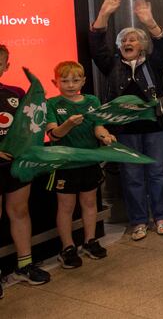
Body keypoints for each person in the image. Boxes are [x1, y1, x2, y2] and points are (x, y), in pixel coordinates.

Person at [89, 0, 163, 240]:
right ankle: (138, 221)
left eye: (134, 39)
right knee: (132, 175)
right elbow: (95, 45)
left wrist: (148, 21)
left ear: (142, 45)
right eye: (124, 39)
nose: (128, 41)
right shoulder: (112, 64)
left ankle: (160, 217)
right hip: (125, 130)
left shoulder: (153, 63)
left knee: (157, 173)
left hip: (156, 127)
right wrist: (104, 13)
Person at [45, 61, 115, 268]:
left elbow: (98, 126)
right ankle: (67, 247)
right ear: (55, 82)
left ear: (83, 81)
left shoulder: (92, 100)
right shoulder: (52, 104)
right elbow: (53, 135)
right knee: (66, 207)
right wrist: (67, 125)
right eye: (64, 80)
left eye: (75, 80)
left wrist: (105, 137)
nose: (70, 84)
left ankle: (90, 241)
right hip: (65, 165)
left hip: (89, 163)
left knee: (90, 202)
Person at [0, 45, 50, 293]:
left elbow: (32, 126)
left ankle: (24, 266)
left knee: (19, 211)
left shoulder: (17, 93)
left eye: (0, 63)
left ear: (6, 66)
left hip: (16, 166)